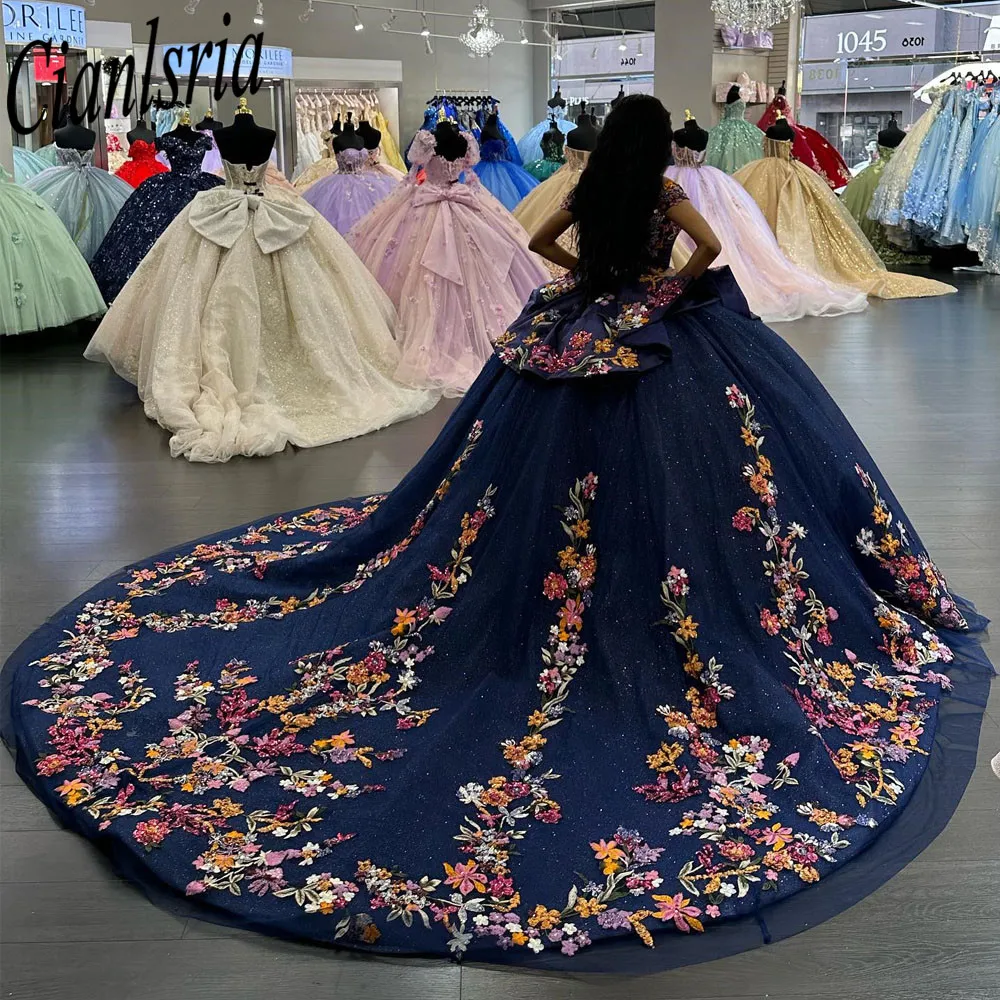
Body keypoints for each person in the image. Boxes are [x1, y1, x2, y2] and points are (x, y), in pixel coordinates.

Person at [1, 96, 991, 972]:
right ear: (660, 146)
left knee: (517, 490)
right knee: (713, 481)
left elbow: (546, 244)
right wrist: (661, 285)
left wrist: (598, 278)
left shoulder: (593, 191)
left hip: (579, 325)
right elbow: (712, 256)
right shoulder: (663, 195)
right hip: (654, 333)